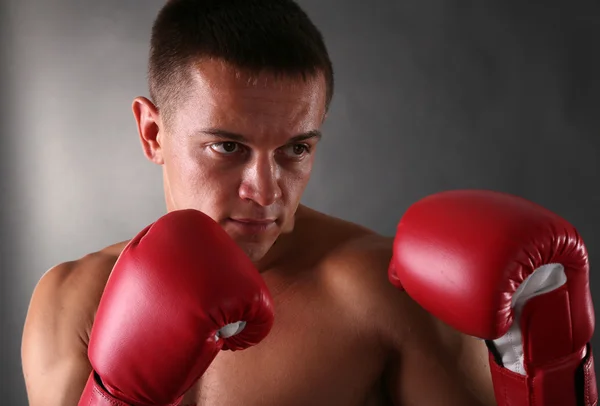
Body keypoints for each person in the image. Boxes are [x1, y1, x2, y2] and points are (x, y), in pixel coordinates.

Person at [20, 1, 596, 405]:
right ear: (153, 134)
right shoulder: (72, 303)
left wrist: (544, 378)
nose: (266, 192)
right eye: (227, 146)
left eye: (296, 149)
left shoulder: (379, 297)